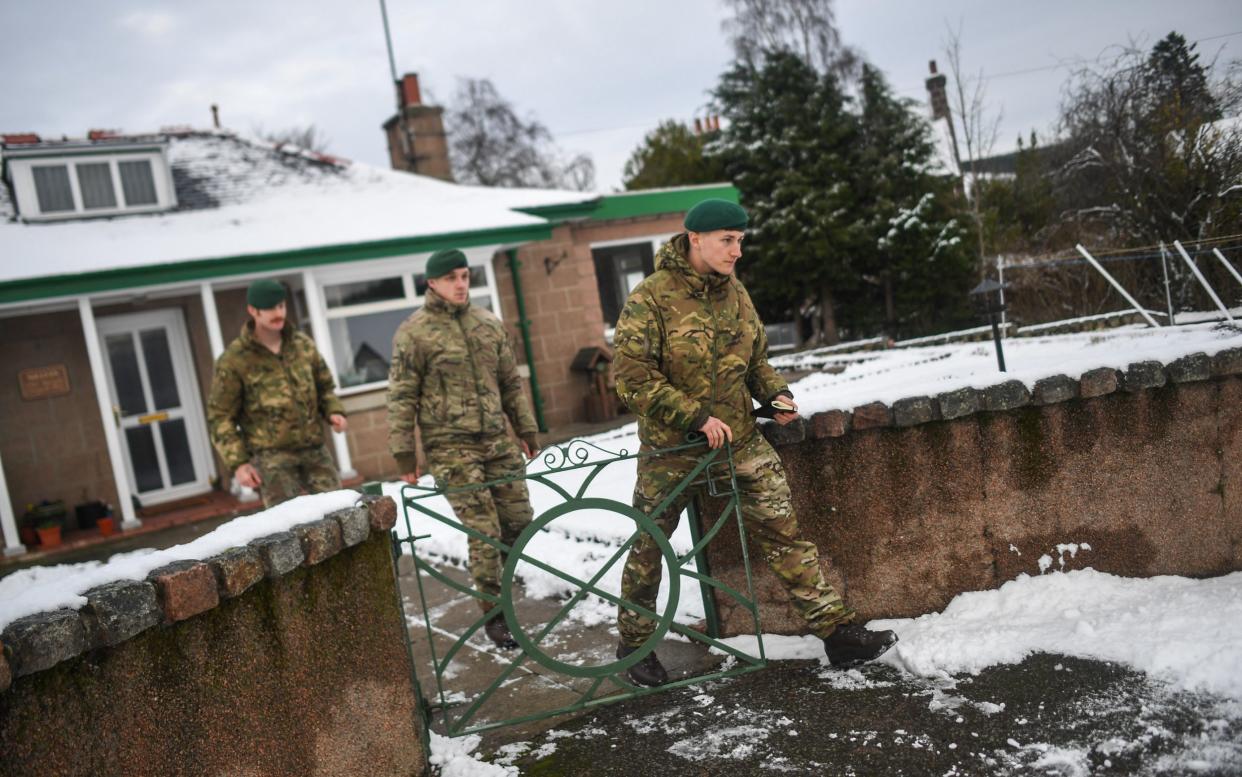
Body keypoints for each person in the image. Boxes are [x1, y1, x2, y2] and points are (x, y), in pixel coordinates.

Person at [611, 199, 898, 687]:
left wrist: (775, 393)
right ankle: (635, 647)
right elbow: (631, 378)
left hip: (739, 441)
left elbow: (757, 359)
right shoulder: (651, 299)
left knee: (784, 532)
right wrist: (694, 417)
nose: (737, 251)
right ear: (694, 239)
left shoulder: (736, 295)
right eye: (727, 240)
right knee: (648, 544)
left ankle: (838, 634)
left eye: (740, 240)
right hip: (671, 451)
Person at [387, 248, 541, 650]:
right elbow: (402, 397)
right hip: (450, 447)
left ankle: (502, 588)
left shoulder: (488, 324)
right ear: (432, 283)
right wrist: (406, 455)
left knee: (519, 522)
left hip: (496, 440)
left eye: (464, 276)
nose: (460, 284)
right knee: (485, 530)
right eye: (451, 278)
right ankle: (495, 613)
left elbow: (510, 383)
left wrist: (526, 429)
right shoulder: (414, 333)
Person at [207, 279, 348, 508]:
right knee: (287, 528)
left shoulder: (303, 346)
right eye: (270, 308)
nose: (278, 313)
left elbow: (325, 388)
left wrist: (334, 412)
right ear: (253, 311)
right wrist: (239, 464)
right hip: (272, 458)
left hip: (314, 449)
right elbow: (220, 417)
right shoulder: (234, 360)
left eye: (281, 306)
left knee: (341, 513)